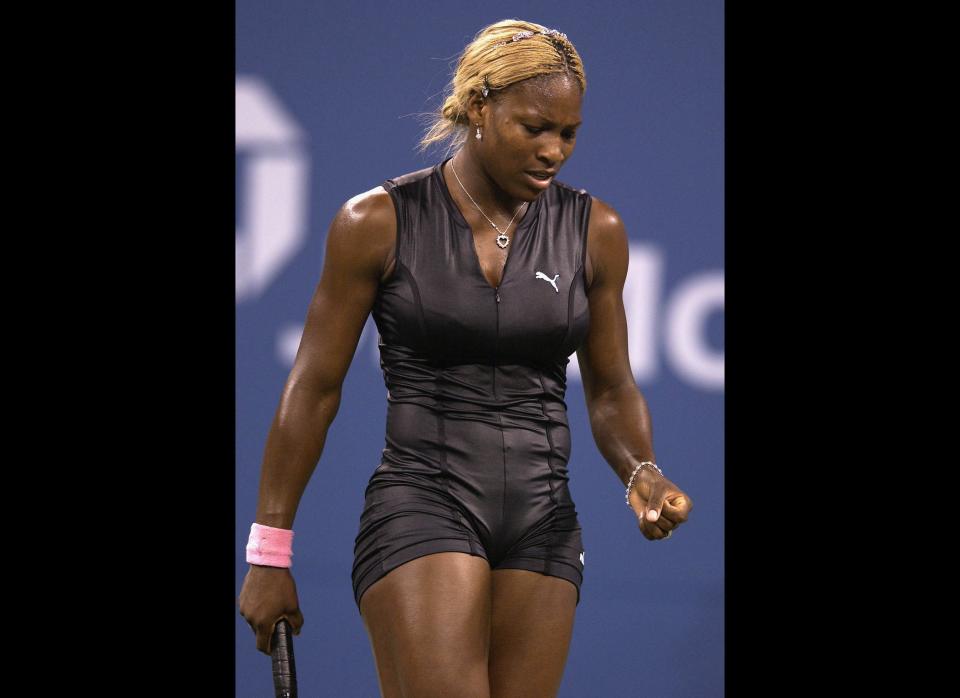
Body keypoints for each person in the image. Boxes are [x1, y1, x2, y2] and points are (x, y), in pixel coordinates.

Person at [238, 18, 693, 697]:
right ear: (480, 107)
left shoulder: (597, 231)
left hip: (545, 520)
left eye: (567, 133)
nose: (553, 151)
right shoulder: (375, 222)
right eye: (534, 127)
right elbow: (313, 389)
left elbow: (610, 387)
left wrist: (641, 471)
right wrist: (269, 551)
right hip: (423, 502)